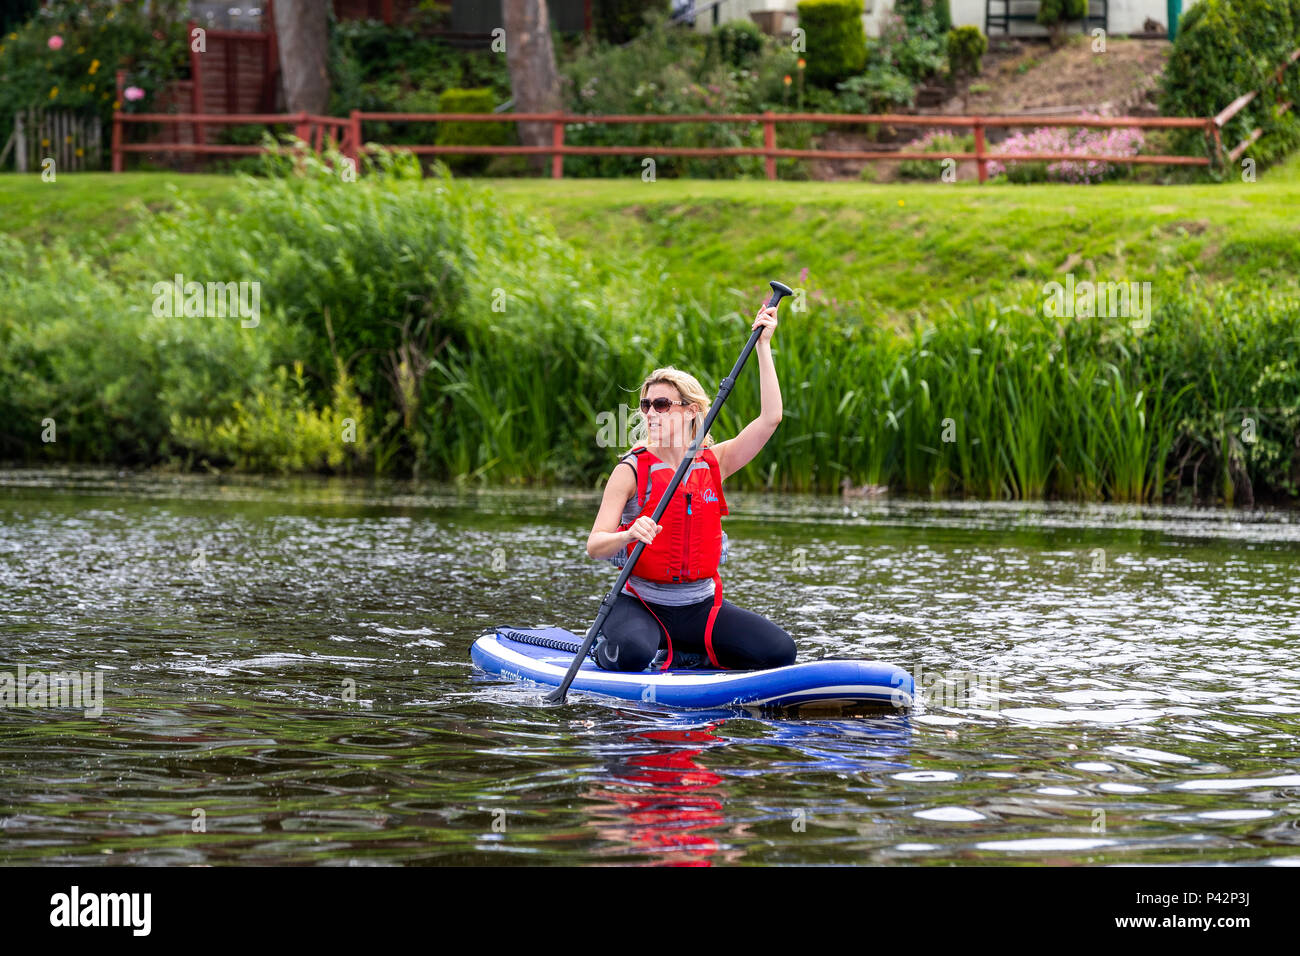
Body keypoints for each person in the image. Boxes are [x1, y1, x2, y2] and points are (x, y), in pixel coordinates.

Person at [584, 302, 796, 673]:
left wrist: (763, 346)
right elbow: (595, 545)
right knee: (632, 654)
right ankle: (608, 645)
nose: (650, 413)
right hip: (640, 603)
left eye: (662, 405)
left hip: (701, 608)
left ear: (690, 410)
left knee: (780, 652)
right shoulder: (631, 471)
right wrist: (628, 533)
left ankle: (684, 651)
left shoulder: (716, 462)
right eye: (646, 405)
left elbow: (770, 419)